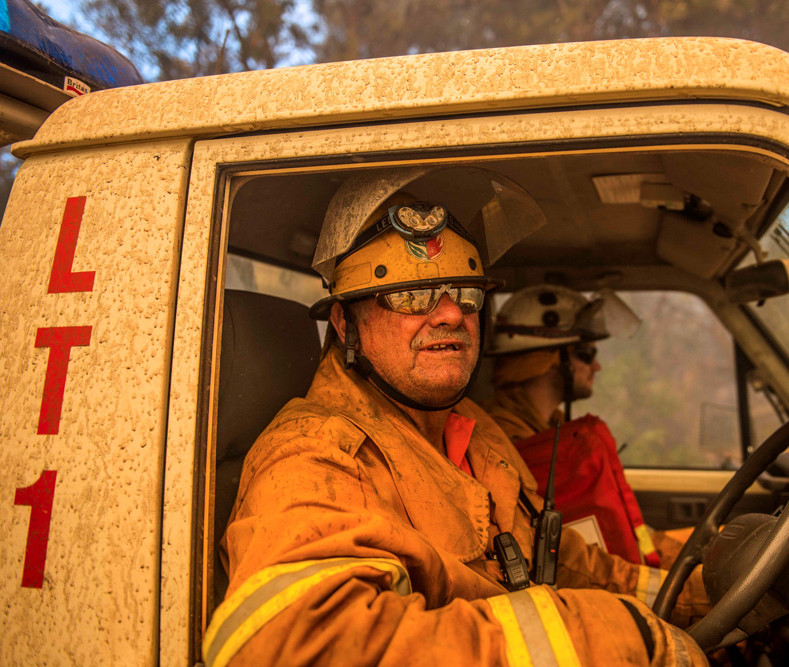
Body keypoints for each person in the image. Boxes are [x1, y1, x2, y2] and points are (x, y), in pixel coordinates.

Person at [204, 175, 709, 667]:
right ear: (344, 323)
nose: (450, 315)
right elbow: (292, 645)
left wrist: (698, 592)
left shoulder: (472, 426)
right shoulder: (315, 457)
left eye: (465, 293)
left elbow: (566, 562)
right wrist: (610, 638)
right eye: (409, 294)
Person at [483, 286, 661, 566]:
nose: (597, 366)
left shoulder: (551, 427)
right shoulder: (502, 440)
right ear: (549, 359)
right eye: (586, 353)